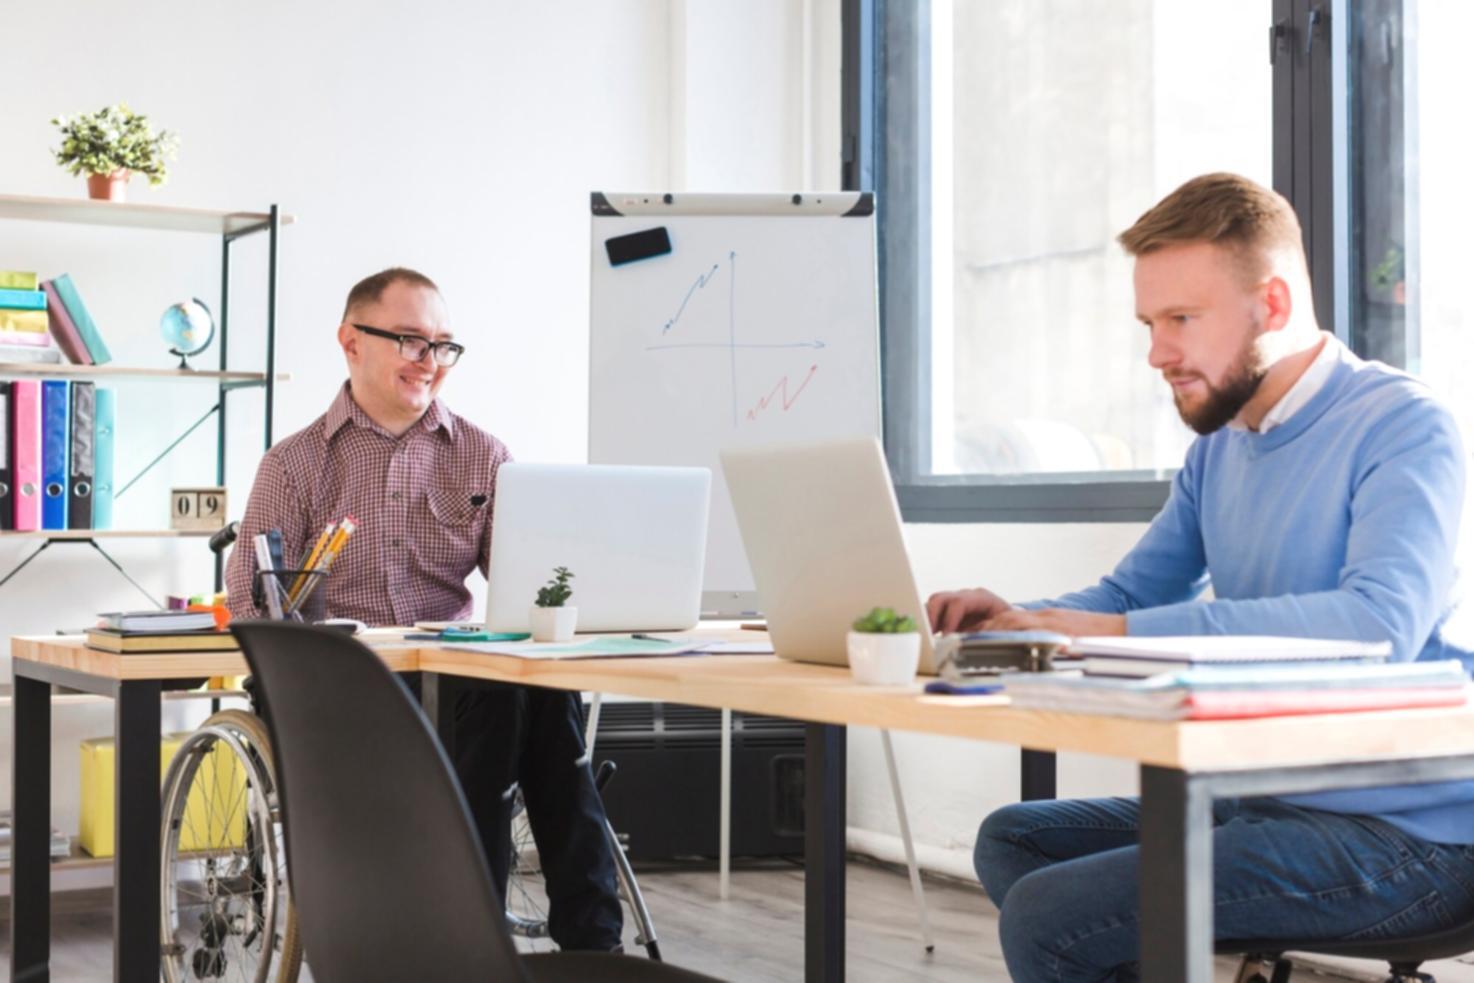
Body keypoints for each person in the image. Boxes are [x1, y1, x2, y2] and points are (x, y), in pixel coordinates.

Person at [926, 173, 1474, 981]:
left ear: (1274, 305)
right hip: (1270, 800)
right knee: (1016, 837)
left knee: (1052, 915)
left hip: (1410, 833)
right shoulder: (1220, 446)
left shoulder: (1403, 425)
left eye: (1182, 319)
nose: (1157, 352)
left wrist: (1104, 633)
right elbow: (1128, 597)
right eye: (1150, 323)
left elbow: (1376, 627)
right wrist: (1018, 618)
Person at [226, 267, 623, 950]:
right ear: (351, 341)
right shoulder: (293, 466)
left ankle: (591, 945)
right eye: (411, 341)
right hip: (343, 691)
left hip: (459, 683)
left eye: (442, 346)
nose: (430, 362)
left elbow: (527, 588)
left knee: (544, 694)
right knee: (503, 702)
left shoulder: (483, 456)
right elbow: (249, 605)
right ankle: (473, 939)